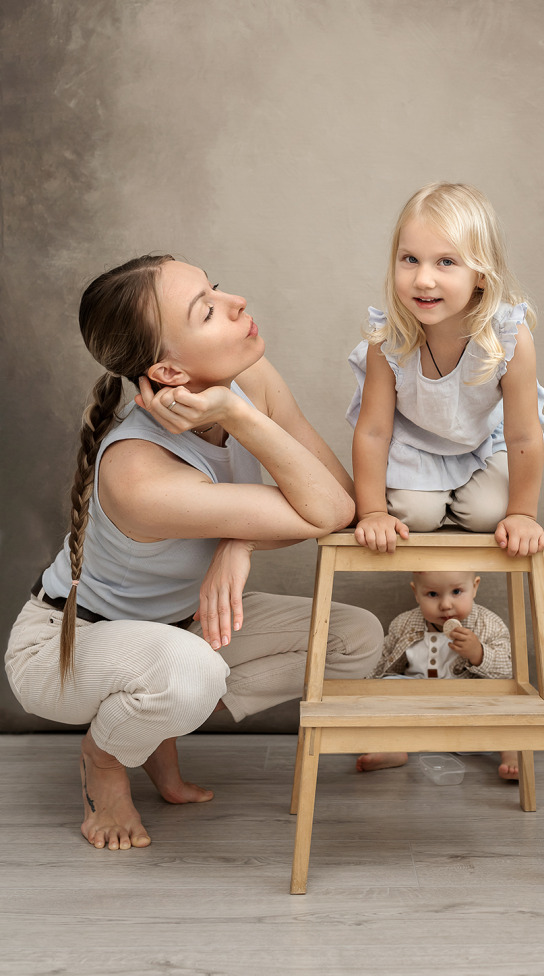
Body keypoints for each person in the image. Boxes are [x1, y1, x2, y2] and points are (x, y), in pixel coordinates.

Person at [4, 254, 383, 851]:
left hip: (175, 625)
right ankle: (104, 761)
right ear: (170, 371)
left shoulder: (251, 377)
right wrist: (236, 413)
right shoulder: (137, 473)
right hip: (63, 643)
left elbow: (340, 499)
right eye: (207, 310)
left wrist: (238, 539)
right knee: (191, 672)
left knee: (355, 637)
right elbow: (327, 513)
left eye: (218, 288)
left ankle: (156, 720)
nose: (237, 304)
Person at [347, 182, 544, 556]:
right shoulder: (388, 341)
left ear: (482, 275)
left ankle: (470, 499)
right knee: (413, 516)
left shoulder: (508, 338)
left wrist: (523, 514)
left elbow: (523, 435)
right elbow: (374, 432)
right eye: (410, 259)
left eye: (446, 262)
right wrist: (372, 511)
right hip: (416, 445)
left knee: (489, 514)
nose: (423, 279)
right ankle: (428, 498)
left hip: (484, 443)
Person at [355, 570, 518, 779]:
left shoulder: (488, 624)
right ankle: (391, 747)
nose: (446, 605)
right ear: (416, 592)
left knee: (506, 700)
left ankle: (511, 752)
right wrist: (365, 688)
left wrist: (478, 653)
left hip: (468, 701)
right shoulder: (404, 623)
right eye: (433, 594)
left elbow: (509, 668)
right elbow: (383, 659)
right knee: (384, 689)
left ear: (475, 587)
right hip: (417, 697)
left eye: (457, 592)